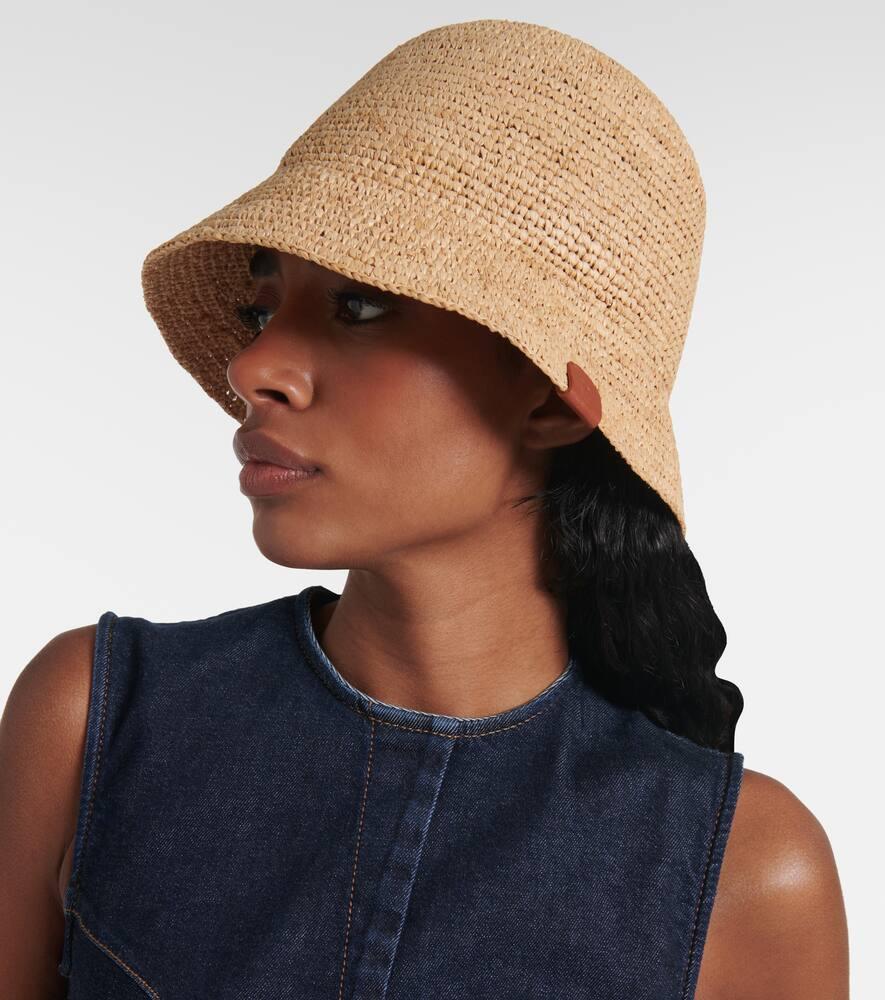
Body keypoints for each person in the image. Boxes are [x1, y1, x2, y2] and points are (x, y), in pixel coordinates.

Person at [0, 18, 848, 999]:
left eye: (359, 306)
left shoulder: (748, 875)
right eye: (260, 310)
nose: (253, 366)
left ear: (549, 399)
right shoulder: (94, 721)